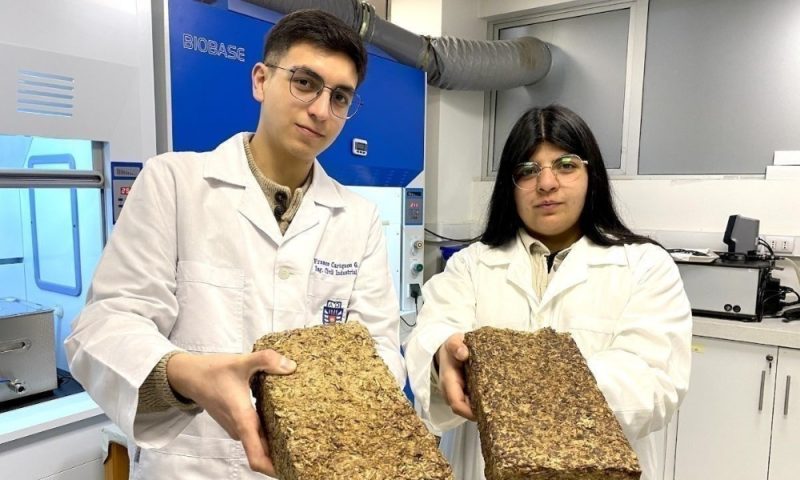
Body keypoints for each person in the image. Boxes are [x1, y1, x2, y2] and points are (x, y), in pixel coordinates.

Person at [65, 9, 404, 479]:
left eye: (340, 96)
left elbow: (380, 350)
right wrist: (186, 376)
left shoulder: (359, 218)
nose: (321, 110)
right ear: (261, 80)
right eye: (305, 83)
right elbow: (105, 325)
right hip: (192, 464)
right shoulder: (174, 182)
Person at [404, 105, 692, 480]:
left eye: (566, 165)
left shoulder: (645, 265)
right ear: (510, 186)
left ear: (591, 174)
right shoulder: (471, 264)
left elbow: (653, 382)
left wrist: (531, 383)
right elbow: (430, 335)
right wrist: (443, 355)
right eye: (528, 170)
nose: (546, 183)